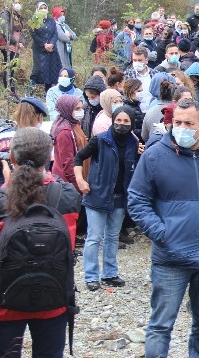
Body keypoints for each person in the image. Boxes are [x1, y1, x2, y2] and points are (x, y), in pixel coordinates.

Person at [127, 99, 199, 358]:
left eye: (188, 123)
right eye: (177, 122)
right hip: (171, 257)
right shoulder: (155, 155)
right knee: (160, 325)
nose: (181, 127)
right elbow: (136, 200)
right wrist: (161, 232)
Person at [0, 128, 80, 358]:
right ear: (50, 157)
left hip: (4, 303)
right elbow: (70, 243)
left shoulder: (0, 200)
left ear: (12, 158)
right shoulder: (66, 195)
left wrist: (6, 188)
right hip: (54, 298)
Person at [74, 106, 140, 291]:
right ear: (113, 121)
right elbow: (78, 158)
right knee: (94, 237)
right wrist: (80, 180)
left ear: (132, 123)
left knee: (112, 236)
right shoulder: (100, 140)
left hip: (120, 197)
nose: (121, 124)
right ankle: (91, 276)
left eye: (126, 121)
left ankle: (110, 273)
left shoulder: (133, 143)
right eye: (118, 120)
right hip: (97, 195)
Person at [52, 95, 88, 194]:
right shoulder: (64, 131)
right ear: (67, 109)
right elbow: (68, 163)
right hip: (67, 182)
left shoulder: (74, 123)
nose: (81, 111)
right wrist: (78, 185)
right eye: (77, 108)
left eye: (81, 108)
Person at [30, 1, 62, 92]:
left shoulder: (51, 21)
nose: (43, 10)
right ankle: (30, 92)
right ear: (37, 9)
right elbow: (34, 35)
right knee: (38, 70)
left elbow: (55, 34)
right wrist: (44, 44)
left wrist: (51, 44)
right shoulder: (34, 21)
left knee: (51, 70)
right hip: (39, 50)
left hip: (52, 50)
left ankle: (48, 93)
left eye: (45, 8)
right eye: (41, 8)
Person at [0, 0, 26, 99]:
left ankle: (12, 91)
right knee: (8, 69)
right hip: (8, 45)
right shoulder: (5, 13)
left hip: (17, 47)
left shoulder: (18, 16)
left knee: (13, 69)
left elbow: (22, 31)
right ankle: (8, 92)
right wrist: (15, 42)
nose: (18, 4)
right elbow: (5, 30)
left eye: (19, 2)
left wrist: (21, 42)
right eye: (15, 2)